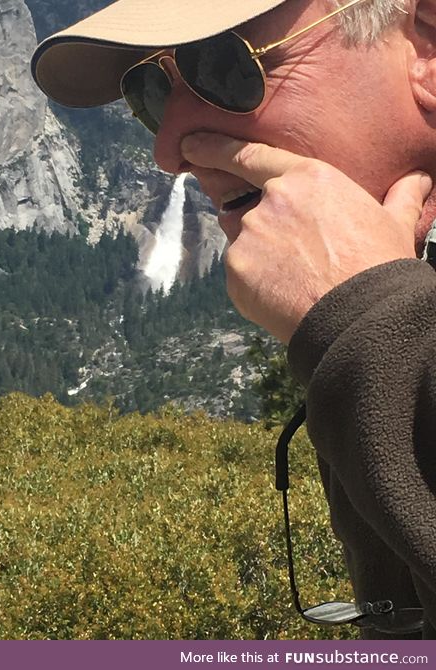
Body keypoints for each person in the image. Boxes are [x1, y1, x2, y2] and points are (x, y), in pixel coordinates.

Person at [32, 0, 436, 639]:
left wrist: (372, 313)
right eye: (152, 91)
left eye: (223, 65)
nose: (170, 148)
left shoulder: (386, 315)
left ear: (428, 45)